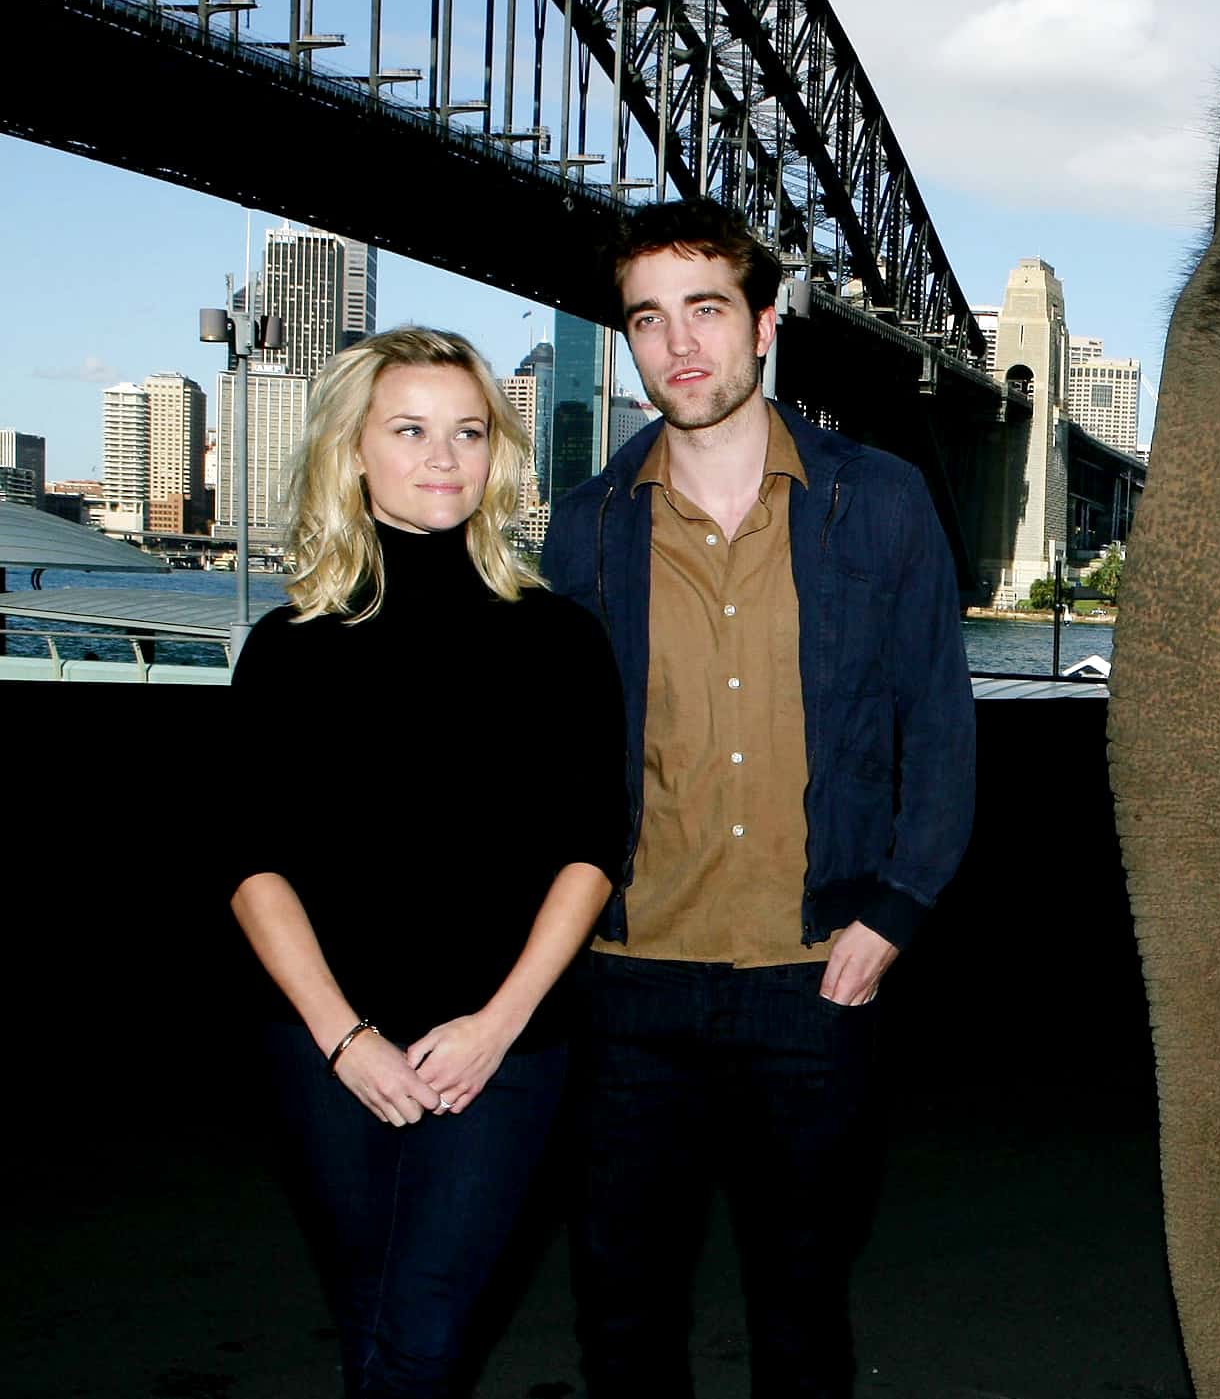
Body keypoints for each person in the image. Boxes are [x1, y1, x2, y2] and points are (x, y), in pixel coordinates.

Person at [542, 199, 974, 1396]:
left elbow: (938, 726)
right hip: (630, 981)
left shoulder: (875, 501)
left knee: (802, 1317)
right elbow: (555, 762)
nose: (679, 345)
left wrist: (894, 912)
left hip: (814, 976)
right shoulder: (585, 528)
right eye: (648, 320)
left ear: (765, 324)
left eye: (707, 311)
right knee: (622, 1326)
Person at [227, 327, 625, 1396]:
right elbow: (251, 863)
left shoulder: (559, 639)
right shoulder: (289, 647)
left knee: (423, 1332)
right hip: (325, 1042)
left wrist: (498, 1028)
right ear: (353, 448)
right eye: (410, 430)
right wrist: (345, 1037)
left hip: (502, 1045)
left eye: (468, 431)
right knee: (370, 1319)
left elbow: (592, 853)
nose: (444, 456)